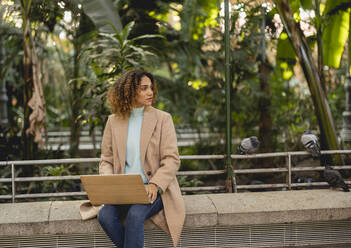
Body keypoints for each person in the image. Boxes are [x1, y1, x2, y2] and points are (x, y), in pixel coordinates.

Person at [96, 69, 185, 248]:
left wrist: (155, 184)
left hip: (154, 189)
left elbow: (172, 159)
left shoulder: (163, 119)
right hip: (123, 190)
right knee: (104, 216)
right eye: (144, 88)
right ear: (129, 91)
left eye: (151, 88)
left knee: (135, 216)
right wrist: (110, 181)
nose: (150, 92)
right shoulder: (113, 121)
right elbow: (106, 159)